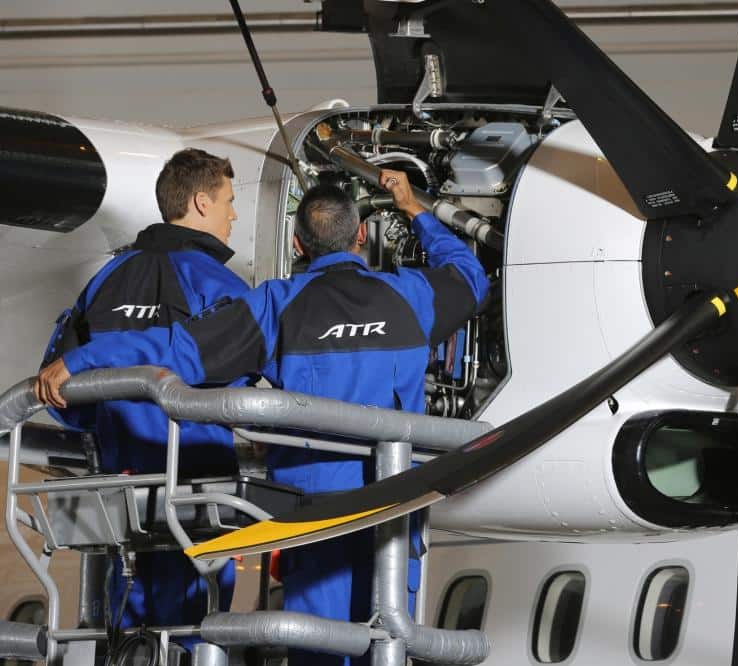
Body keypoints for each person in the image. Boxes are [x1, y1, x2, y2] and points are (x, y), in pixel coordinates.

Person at [37, 169, 490, 665]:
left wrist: (82, 359)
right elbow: (467, 273)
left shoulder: (278, 305)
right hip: (395, 519)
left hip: (317, 521)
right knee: (388, 644)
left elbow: (177, 349)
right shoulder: (412, 296)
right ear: (360, 235)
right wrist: (414, 209)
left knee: (318, 645)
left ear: (298, 243)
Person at [39, 148, 250, 651]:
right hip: (199, 490)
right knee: (198, 630)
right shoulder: (220, 282)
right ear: (201, 203)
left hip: (123, 489)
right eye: (228, 201)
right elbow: (245, 375)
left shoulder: (106, 278)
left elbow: (56, 387)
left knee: (127, 628)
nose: (234, 214)